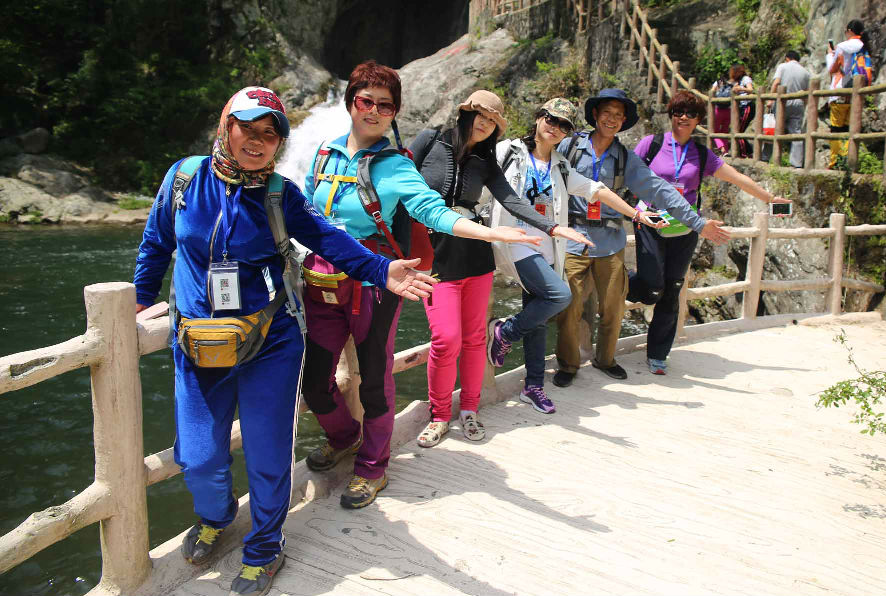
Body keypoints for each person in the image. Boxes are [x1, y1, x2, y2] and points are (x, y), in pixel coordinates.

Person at [132, 86, 436, 596]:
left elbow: (330, 239)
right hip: (197, 341)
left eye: (269, 133)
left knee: (270, 455)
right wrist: (141, 300)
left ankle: (266, 544)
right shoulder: (184, 177)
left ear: (280, 142)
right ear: (225, 126)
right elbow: (157, 241)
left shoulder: (279, 193)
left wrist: (382, 270)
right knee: (199, 457)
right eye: (246, 128)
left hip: (268, 342)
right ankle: (217, 513)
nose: (257, 141)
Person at [301, 62, 539, 509]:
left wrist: (486, 232)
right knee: (315, 381)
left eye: (384, 105)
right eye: (365, 100)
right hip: (323, 278)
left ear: (395, 113)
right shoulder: (323, 153)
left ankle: (373, 466)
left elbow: (432, 209)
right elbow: (308, 214)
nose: (373, 110)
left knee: (373, 378)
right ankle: (346, 436)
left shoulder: (396, 165)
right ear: (351, 101)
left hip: (377, 282)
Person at [407, 91, 589, 447]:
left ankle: (470, 410)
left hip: (475, 254)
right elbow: (400, 185)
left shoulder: (486, 158)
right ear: (465, 113)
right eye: (480, 115)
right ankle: (440, 414)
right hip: (436, 255)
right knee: (446, 340)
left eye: (492, 121)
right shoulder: (431, 141)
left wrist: (552, 227)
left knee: (475, 339)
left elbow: (511, 199)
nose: (485, 124)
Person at [486, 98, 658, 414]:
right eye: (551, 119)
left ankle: (533, 386)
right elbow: (476, 173)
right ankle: (505, 331)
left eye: (564, 125)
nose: (556, 127)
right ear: (538, 118)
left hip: (550, 245)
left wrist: (635, 213)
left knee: (537, 319)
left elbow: (598, 191)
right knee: (560, 294)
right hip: (518, 240)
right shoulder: (509, 152)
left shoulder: (561, 166)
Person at [553, 88, 730, 388]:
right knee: (569, 304)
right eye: (607, 113)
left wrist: (697, 223)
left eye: (618, 116)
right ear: (595, 114)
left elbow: (658, 190)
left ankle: (606, 359)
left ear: (624, 122)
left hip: (609, 239)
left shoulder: (624, 157)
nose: (612, 120)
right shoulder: (569, 145)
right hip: (572, 236)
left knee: (613, 305)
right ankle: (569, 363)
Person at [628, 90, 792, 374]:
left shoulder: (701, 154)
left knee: (673, 288)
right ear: (671, 115)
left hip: (686, 226)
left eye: (690, 114)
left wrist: (769, 198)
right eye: (679, 112)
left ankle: (658, 353)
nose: (684, 118)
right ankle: (620, 281)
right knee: (653, 286)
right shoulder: (651, 145)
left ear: (699, 120)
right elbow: (626, 172)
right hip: (651, 222)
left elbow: (737, 177)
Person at [826, 20, 871, 168]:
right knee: (847, 128)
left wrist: (829, 56)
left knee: (835, 128)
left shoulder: (842, 47)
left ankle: (836, 161)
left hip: (839, 90)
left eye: (846, 31)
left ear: (850, 30)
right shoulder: (864, 46)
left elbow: (833, 69)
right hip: (854, 93)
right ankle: (848, 158)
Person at [766, 50, 812, 167]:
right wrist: (804, 105)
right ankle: (796, 164)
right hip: (798, 103)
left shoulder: (783, 66)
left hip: (782, 102)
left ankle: (766, 158)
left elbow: (776, 83)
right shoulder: (806, 72)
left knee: (774, 130)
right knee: (796, 133)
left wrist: (771, 99)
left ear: (787, 58)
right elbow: (807, 93)